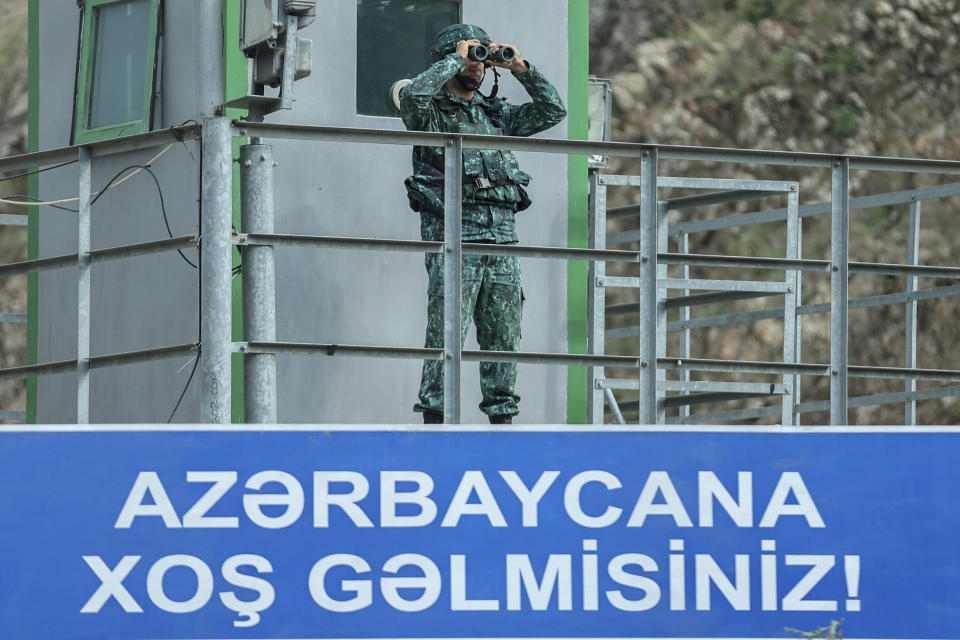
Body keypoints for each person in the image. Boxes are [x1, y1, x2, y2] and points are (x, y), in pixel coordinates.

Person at [399, 23, 566, 424]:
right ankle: (435, 423)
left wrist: (521, 67)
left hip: (502, 241)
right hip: (455, 240)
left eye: (481, 59)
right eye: (470, 58)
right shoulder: (430, 113)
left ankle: (503, 424)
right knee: (446, 334)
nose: (477, 66)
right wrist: (456, 58)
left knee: (504, 337)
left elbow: (552, 111)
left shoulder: (497, 115)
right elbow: (412, 96)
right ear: (448, 59)